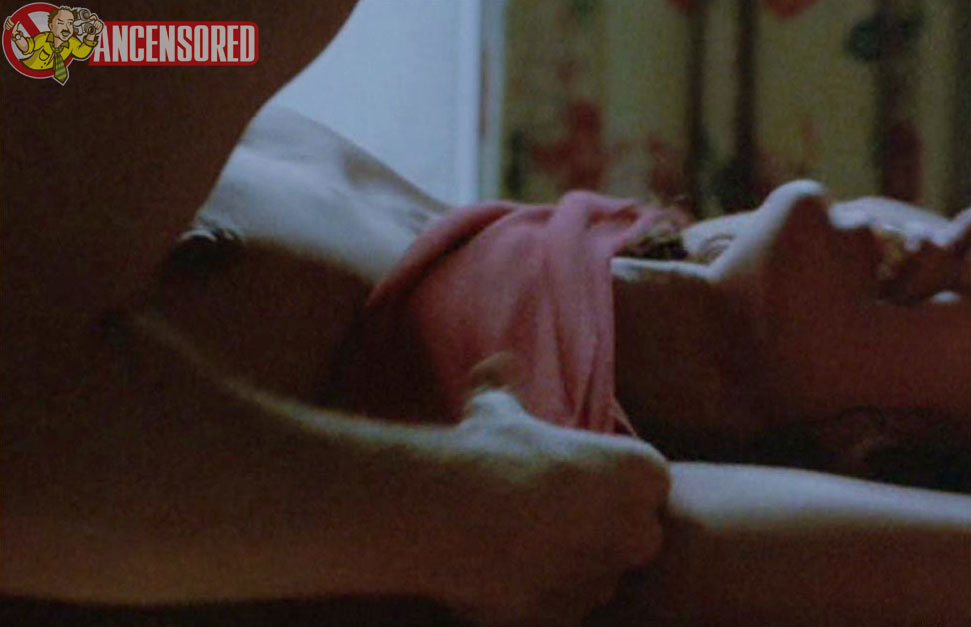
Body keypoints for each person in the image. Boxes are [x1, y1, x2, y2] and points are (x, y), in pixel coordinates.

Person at [1, 3, 968, 627]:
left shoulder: (576, 501)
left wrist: (476, 510)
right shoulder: (424, 220)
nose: (960, 233)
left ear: (877, 444)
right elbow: (49, 41)